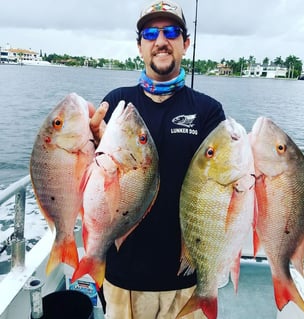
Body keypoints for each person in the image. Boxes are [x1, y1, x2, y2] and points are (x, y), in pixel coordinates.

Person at [90, 1, 226, 318]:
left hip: (186, 279)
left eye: (172, 32)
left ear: (185, 43)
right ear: (139, 46)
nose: (161, 41)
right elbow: (94, 183)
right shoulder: (116, 104)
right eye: (150, 33)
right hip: (123, 276)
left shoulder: (209, 111)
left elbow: (217, 189)